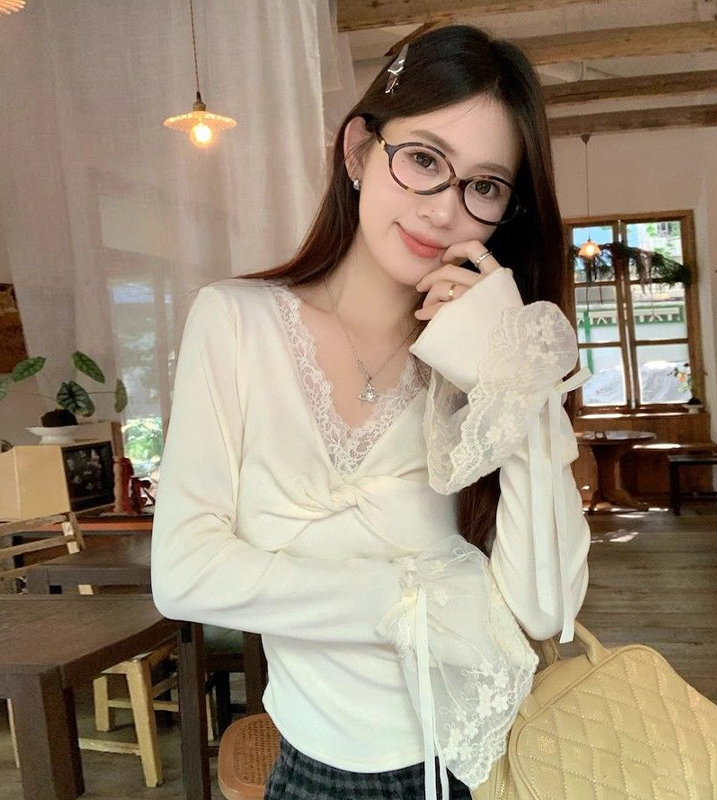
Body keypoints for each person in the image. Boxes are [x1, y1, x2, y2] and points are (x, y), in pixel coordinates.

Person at [150, 23, 591, 800]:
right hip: (312, 771)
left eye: (484, 186)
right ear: (358, 151)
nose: (444, 210)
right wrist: (418, 599)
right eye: (423, 159)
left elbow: (543, 607)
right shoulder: (236, 322)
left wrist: (510, 376)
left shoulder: (482, 366)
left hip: (470, 770)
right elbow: (185, 575)